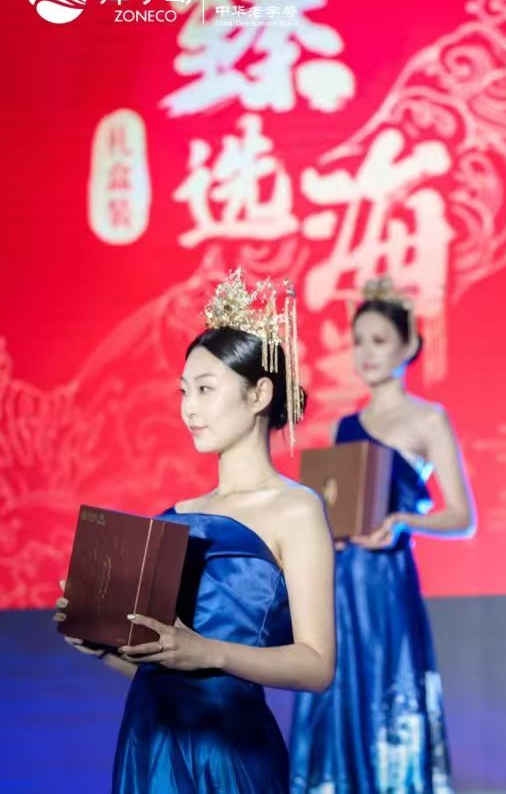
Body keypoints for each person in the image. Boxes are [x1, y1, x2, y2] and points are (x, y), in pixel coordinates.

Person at [56, 268, 335, 793]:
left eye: (206, 389)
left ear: (259, 394)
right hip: (147, 742)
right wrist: (105, 646)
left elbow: (317, 666)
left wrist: (210, 652)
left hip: (227, 748)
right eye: (184, 391)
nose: (189, 408)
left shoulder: (296, 509)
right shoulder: (172, 517)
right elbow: (165, 665)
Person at [290, 276, 476, 794]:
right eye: (358, 341)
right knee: (338, 691)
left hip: (386, 582)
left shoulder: (428, 420)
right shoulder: (344, 426)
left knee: (386, 687)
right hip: (339, 583)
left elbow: (461, 516)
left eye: (379, 340)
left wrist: (403, 522)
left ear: (408, 345)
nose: (366, 352)